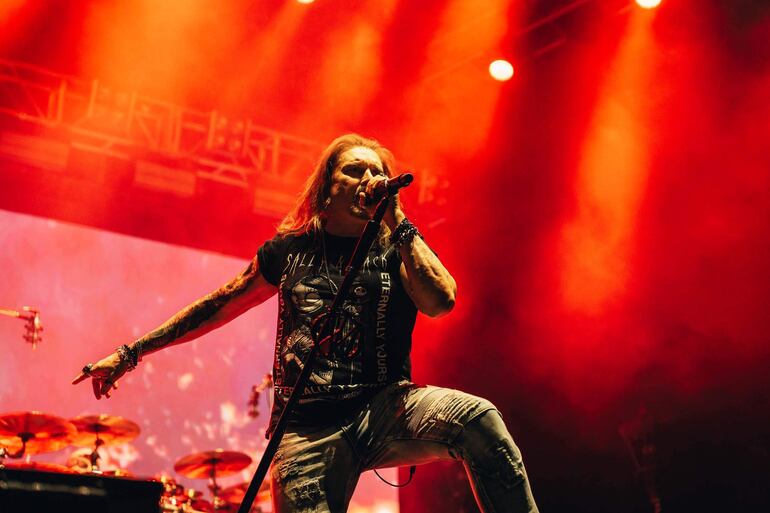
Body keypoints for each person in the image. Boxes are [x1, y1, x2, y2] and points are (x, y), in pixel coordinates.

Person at [73, 134, 539, 513]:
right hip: (305, 427)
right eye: (355, 170)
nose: (369, 179)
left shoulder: (396, 245)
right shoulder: (288, 251)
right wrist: (132, 352)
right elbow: (218, 305)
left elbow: (442, 302)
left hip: (386, 408)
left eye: (376, 171)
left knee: (480, 421)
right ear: (325, 188)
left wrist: (398, 220)